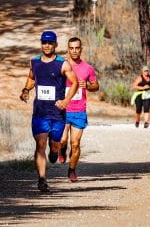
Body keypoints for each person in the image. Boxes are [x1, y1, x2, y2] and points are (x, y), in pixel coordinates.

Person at [19, 30, 78, 192]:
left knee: (54, 145)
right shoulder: (34, 62)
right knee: (40, 144)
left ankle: (55, 152)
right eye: (44, 42)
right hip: (40, 113)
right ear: (41, 44)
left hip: (57, 115)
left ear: (55, 45)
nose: (47, 45)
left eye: (50, 43)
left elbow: (75, 83)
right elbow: (32, 78)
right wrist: (26, 90)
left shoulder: (62, 64)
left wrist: (66, 101)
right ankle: (42, 180)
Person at [59, 37, 99, 182]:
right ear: (68, 49)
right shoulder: (62, 65)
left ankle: (72, 170)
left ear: (81, 49)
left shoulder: (87, 68)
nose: (74, 51)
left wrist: (87, 85)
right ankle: (62, 149)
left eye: (77, 48)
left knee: (75, 144)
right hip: (63, 110)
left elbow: (96, 85)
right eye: (72, 48)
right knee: (62, 140)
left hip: (79, 110)